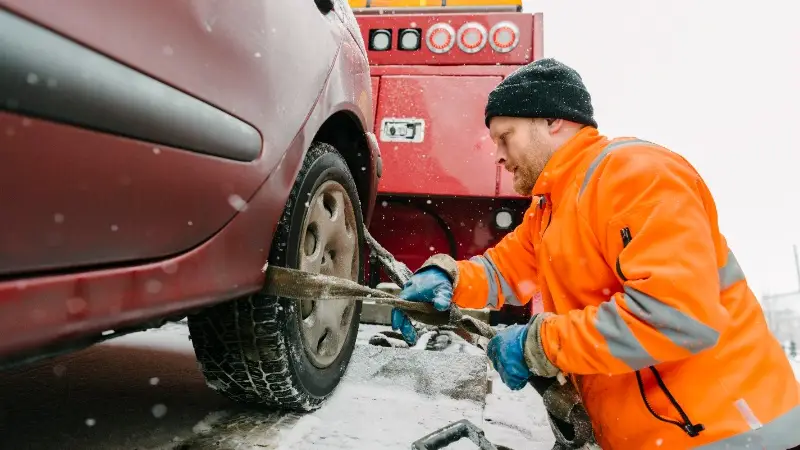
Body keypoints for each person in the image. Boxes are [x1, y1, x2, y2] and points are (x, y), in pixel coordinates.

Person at [391, 58, 800, 450]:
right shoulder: (550, 209)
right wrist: (447, 278)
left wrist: (540, 344)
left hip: (730, 432)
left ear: (552, 122)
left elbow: (677, 317)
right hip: (662, 434)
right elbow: (503, 271)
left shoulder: (635, 176)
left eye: (505, 137)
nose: (497, 154)